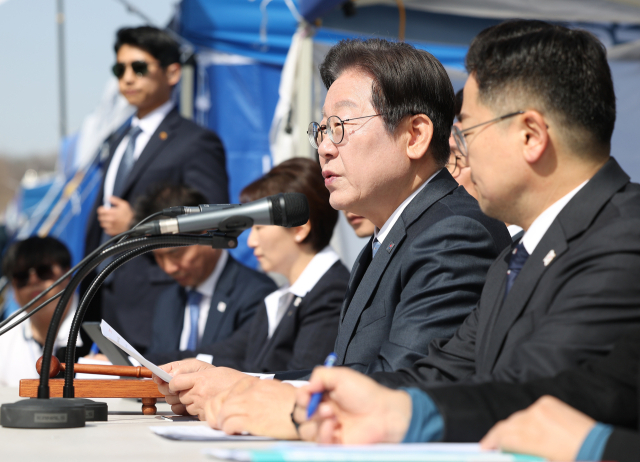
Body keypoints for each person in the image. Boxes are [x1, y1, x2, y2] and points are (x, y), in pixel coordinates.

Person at [291, 18, 640, 445]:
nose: (462, 156)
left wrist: (337, 411)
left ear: (531, 135)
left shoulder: (625, 238)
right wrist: (310, 399)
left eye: (469, 131)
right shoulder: (516, 255)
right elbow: (441, 374)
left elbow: (529, 393)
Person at [155, 38, 511, 434]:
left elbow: (406, 389)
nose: (324, 147)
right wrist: (245, 385)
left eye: (340, 127)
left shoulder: (453, 234)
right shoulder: (393, 235)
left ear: (415, 135)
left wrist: (257, 392)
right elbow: (351, 373)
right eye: (321, 129)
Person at [84, 26, 229, 353]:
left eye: (139, 67)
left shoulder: (195, 141)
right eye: (119, 69)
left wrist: (136, 224)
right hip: (103, 301)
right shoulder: (117, 141)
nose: (127, 78)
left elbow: (213, 218)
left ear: (172, 73)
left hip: (158, 303)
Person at [137, 184, 277, 364]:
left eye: (176, 254)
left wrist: (136, 362)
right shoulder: (168, 300)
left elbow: (235, 359)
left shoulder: (257, 294)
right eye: (158, 257)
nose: (169, 268)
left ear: (207, 234)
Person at [0, 237, 78, 386]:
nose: (33, 280)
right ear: (12, 287)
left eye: (43, 271)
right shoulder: (4, 338)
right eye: (21, 275)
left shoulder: (104, 322)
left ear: (68, 273)